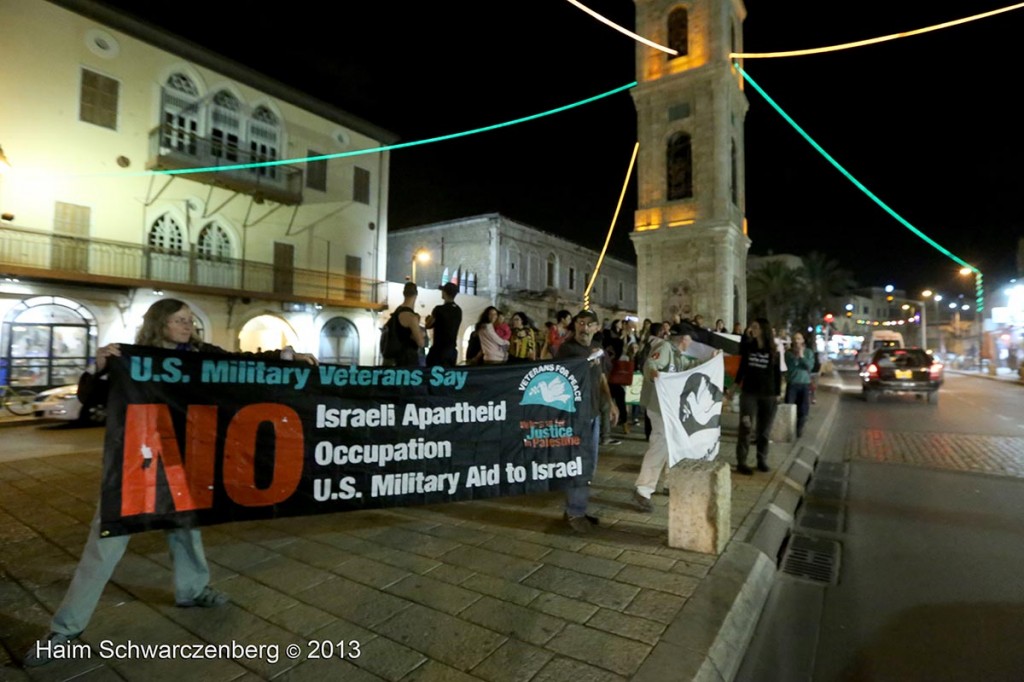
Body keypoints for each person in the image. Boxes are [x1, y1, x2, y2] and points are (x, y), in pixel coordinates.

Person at [24, 298, 317, 667]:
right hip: (137, 464)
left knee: (185, 526)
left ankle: (192, 589)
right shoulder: (130, 358)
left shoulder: (200, 354)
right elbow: (91, 398)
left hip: (183, 460)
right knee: (107, 540)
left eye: (190, 320)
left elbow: (242, 365)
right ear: (159, 323)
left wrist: (287, 358)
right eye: (179, 320)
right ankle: (66, 629)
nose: (187, 326)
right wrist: (97, 369)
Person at [633, 324, 718, 511]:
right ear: (684, 339)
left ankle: (668, 483)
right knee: (660, 444)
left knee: (672, 444)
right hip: (658, 406)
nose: (690, 344)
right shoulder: (664, 348)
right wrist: (655, 373)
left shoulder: (677, 355)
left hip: (669, 408)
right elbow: (650, 364)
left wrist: (709, 361)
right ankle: (643, 489)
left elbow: (689, 366)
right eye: (690, 340)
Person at [556, 309, 618, 533]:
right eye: (579, 323)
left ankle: (576, 508)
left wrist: (610, 402)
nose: (583, 327)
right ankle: (575, 512)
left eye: (588, 324)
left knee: (589, 464)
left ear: (596, 327)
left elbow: (601, 377)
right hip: (575, 415)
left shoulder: (596, 350)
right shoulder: (567, 349)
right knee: (578, 463)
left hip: (592, 413)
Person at [730, 317, 782, 475]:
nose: (752, 330)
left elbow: (777, 374)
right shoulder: (748, 346)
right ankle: (742, 462)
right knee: (746, 427)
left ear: (763, 330)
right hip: (749, 393)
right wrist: (735, 385)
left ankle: (761, 460)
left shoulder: (773, 350)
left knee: (764, 431)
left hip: (768, 394)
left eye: (755, 327)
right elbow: (742, 368)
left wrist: (778, 393)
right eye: (752, 327)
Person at [385, 282, 425, 367]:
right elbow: (421, 343)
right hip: (407, 362)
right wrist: (422, 333)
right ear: (416, 294)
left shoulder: (397, 312)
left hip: (393, 361)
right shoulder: (411, 317)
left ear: (403, 293)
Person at [784, 331, 815, 438]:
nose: (797, 341)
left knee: (803, 409)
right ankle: (788, 430)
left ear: (802, 341)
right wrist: (796, 357)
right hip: (792, 383)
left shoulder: (808, 352)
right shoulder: (788, 353)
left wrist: (802, 356)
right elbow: (792, 366)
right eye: (795, 339)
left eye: (799, 339)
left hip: (804, 384)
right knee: (789, 407)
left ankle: (799, 429)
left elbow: (809, 366)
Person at [425, 282, 462, 367]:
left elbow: (428, 325)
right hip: (452, 350)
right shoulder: (458, 310)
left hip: (439, 351)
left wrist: (428, 319)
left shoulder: (439, 309)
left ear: (444, 292)